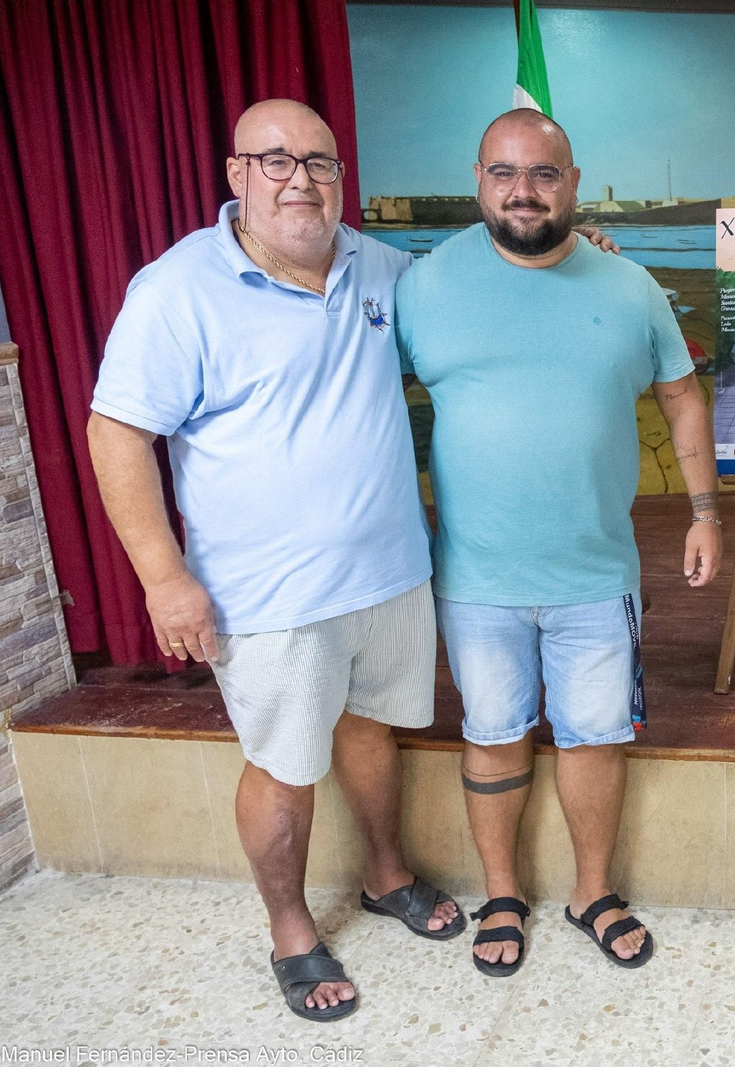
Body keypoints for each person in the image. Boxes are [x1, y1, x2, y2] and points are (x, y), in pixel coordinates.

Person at [87, 100, 462, 1023]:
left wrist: (585, 259)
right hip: (268, 597)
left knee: (375, 733)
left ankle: (385, 875)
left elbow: (472, 295)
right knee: (284, 765)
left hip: (389, 575)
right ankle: (292, 928)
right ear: (235, 175)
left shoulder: (379, 266)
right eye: (275, 159)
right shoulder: (175, 289)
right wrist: (163, 577)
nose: (301, 177)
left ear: (341, 176)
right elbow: (115, 433)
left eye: (321, 162)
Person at [394, 108, 721, 978]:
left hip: (596, 573)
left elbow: (684, 396)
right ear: (478, 179)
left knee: (595, 738)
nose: (524, 190)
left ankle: (592, 893)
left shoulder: (630, 286)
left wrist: (705, 510)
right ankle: (502, 891)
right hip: (474, 575)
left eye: (544, 173)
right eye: (505, 172)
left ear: (574, 183)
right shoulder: (421, 286)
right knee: (493, 732)